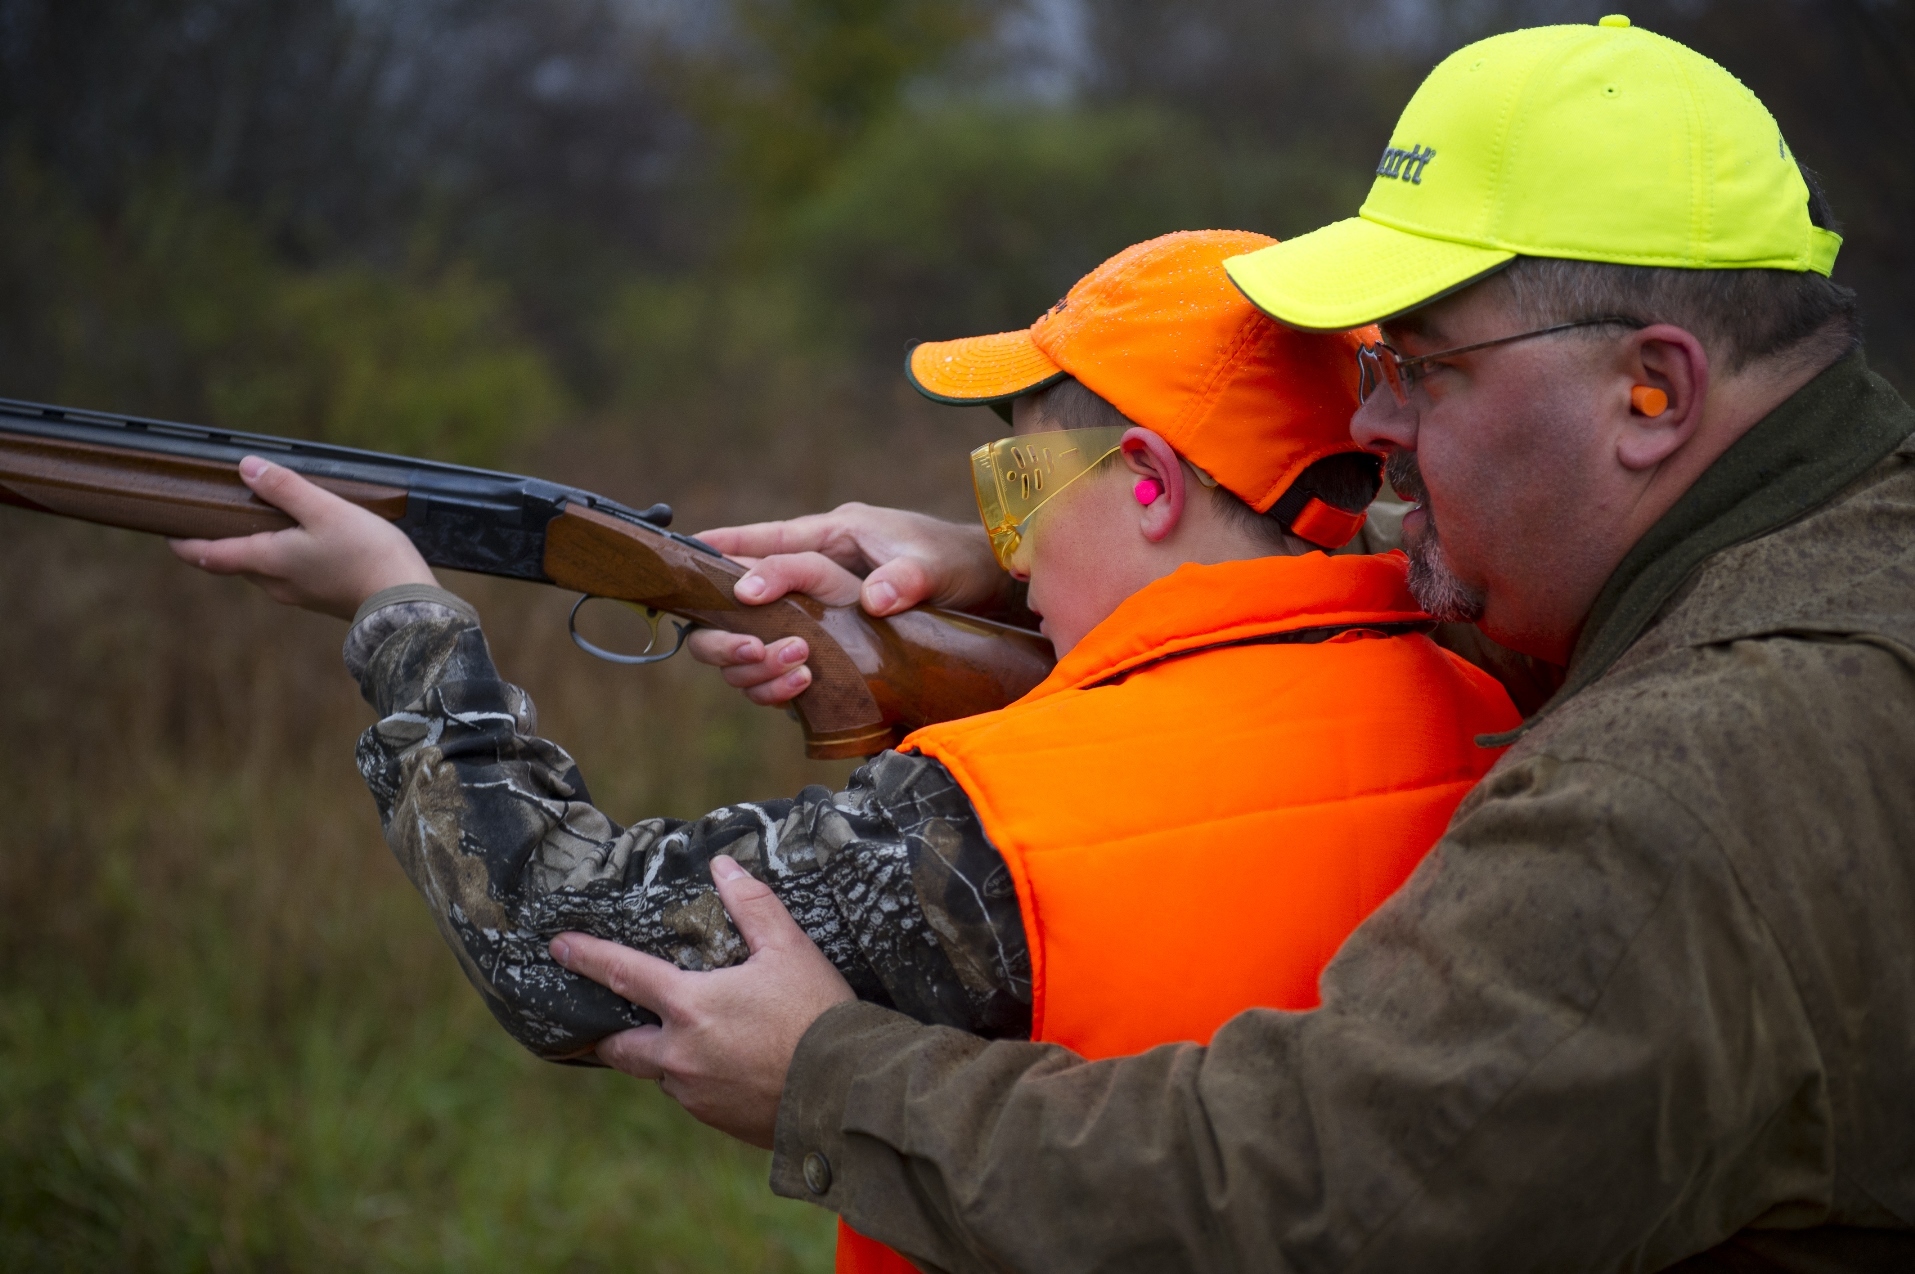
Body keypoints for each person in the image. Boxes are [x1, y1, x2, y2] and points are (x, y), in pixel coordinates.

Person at [546, 17, 1915, 1272]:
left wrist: (828, 1082)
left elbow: (1312, 1197)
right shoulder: (1848, 549)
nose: (1377, 431)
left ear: (1655, 389)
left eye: (1420, 368)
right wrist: (1042, 546)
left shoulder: (1677, 792)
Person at [169, 231, 1518, 1271]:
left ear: (1154, 483)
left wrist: (403, 616)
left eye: (1016, 486)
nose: (1002, 538)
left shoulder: (992, 814)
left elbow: (551, 938)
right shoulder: (1510, 698)